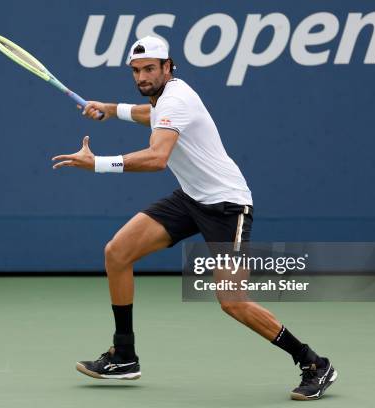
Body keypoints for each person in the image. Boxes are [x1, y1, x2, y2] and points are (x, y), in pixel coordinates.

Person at [51, 36, 337, 400]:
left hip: (226, 205)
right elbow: (149, 114)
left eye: (150, 69)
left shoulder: (177, 98)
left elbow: (157, 158)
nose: (143, 77)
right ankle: (124, 355)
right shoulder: (163, 99)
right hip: (191, 198)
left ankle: (314, 362)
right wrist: (109, 108)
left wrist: (99, 164)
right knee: (117, 252)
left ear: (168, 67)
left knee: (232, 301)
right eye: (137, 70)